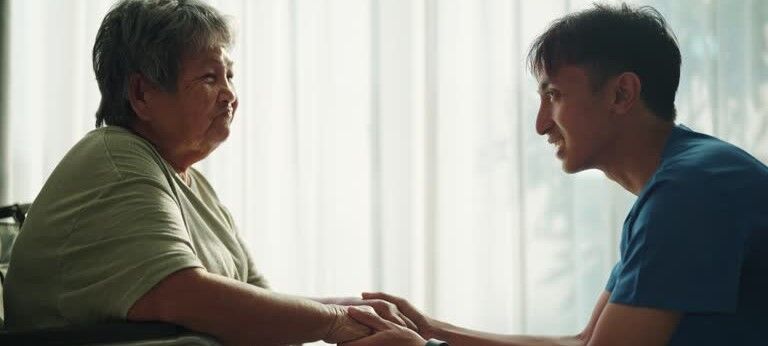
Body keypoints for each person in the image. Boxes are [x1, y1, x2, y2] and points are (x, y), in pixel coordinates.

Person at [341, 3, 768, 346]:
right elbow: (586, 341)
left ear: (622, 93)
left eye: (554, 95)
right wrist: (431, 330)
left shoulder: (691, 192)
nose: (541, 124)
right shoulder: (686, 180)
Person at [2, 0, 416, 345]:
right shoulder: (116, 159)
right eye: (208, 77)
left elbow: (254, 301)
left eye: (229, 75)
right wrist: (336, 321)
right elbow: (186, 296)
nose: (231, 95)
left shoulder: (188, 180)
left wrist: (347, 311)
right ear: (142, 94)